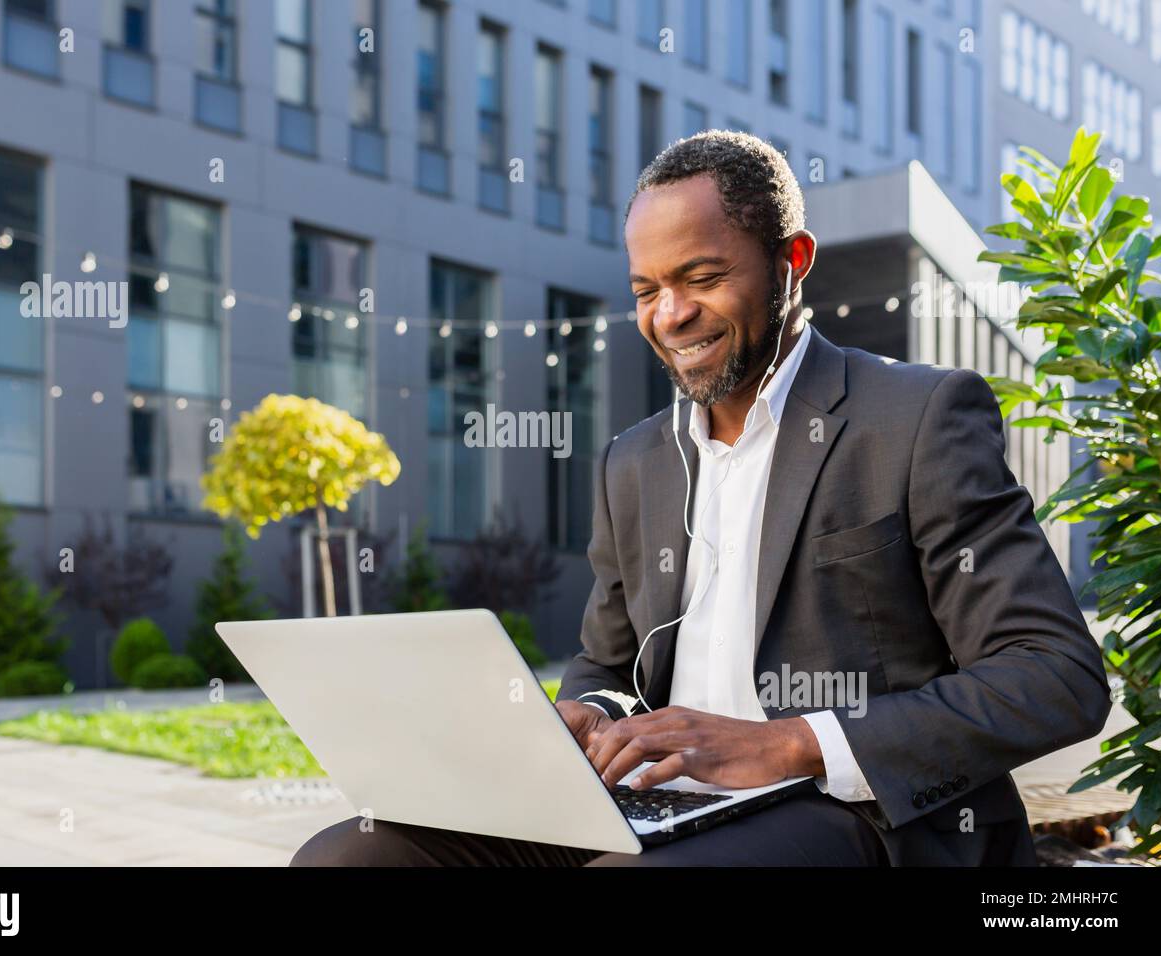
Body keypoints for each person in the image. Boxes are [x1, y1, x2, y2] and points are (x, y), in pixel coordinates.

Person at [293, 130, 1111, 866]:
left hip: (853, 815)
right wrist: (588, 715)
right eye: (646, 288)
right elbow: (608, 663)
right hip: (654, 798)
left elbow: (1055, 676)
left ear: (793, 261)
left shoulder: (917, 417)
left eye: (703, 276)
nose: (670, 314)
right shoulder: (633, 459)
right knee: (347, 857)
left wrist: (792, 743)